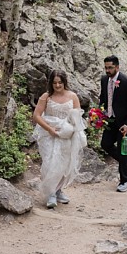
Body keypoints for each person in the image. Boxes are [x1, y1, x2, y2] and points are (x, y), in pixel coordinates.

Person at [32, 70, 86, 208]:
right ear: (51, 83)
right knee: (50, 161)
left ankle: (58, 190)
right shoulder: (46, 97)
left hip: (66, 134)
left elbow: (77, 115)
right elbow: (37, 115)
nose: (57, 85)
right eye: (54, 83)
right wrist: (49, 129)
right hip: (48, 133)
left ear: (64, 82)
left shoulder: (72, 96)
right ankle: (50, 193)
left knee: (64, 162)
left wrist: (73, 129)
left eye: (60, 82)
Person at [100, 55, 127, 192]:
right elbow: (103, 99)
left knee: (122, 148)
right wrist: (99, 115)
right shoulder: (104, 80)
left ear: (117, 67)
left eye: (110, 67)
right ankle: (126, 158)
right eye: (106, 68)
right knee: (105, 144)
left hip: (125, 121)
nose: (107, 70)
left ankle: (125, 179)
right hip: (111, 118)